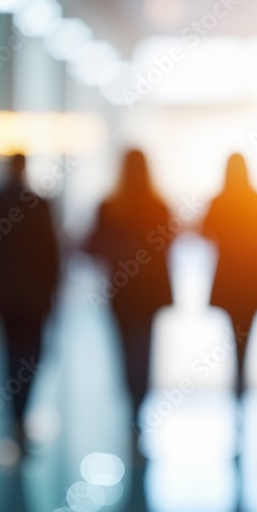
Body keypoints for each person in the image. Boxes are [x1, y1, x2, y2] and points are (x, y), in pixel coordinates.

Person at [0, 154, 60, 448]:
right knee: (29, 356)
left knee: (8, 354)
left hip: (2, 296)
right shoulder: (37, 204)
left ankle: (13, 416)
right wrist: (53, 292)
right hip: (31, 298)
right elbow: (50, 255)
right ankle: (20, 414)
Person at [85, 149, 174, 430]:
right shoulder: (158, 207)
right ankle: (138, 406)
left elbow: (93, 246)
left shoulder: (110, 207)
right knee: (144, 351)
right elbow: (167, 247)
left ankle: (131, 406)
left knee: (124, 350)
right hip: (147, 293)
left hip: (122, 291)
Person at [201, 154, 257, 397]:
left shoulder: (219, 202)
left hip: (229, 280)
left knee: (234, 335)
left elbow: (205, 232)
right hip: (251, 280)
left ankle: (238, 381)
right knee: (246, 333)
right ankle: (241, 381)